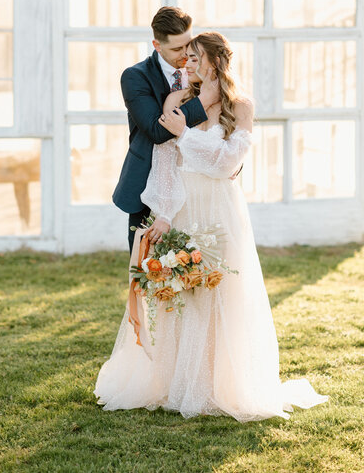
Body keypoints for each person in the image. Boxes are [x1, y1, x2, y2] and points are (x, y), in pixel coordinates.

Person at [94, 32, 328, 422]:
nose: (186, 63)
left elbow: (227, 164)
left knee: (223, 292)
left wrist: (185, 134)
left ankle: (221, 384)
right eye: (184, 55)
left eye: (194, 56)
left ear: (214, 62)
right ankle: (175, 382)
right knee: (183, 294)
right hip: (182, 207)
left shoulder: (241, 106)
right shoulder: (175, 101)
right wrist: (164, 213)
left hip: (221, 210)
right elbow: (166, 163)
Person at [112, 6, 219, 253]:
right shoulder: (135, 77)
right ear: (157, 45)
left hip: (199, 187)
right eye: (176, 49)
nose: (185, 55)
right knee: (149, 277)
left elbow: (226, 121)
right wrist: (204, 100)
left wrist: (227, 158)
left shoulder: (205, 70)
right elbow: (156, 132)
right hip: (150, 188)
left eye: (188, 45)